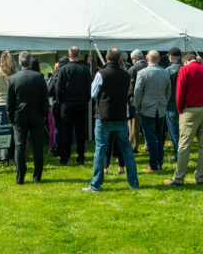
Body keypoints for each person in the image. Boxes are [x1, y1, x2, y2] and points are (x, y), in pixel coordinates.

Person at [84, 48, 139, 191]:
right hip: (120, 115)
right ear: (120, 58)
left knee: (100, 150)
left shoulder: (101, 73)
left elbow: (93, 93)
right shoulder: (126, 74)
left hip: (104, 116)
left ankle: (96, 184)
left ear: (107, 57)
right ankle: (134, 183)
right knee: (127, 150)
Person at [165, 51, 203, 186]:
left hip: (189, 110)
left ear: (185, 60)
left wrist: (180, 109)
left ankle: (179, 178)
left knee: (184, 145)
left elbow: (180, 93)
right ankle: (200, 176)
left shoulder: (185, 70)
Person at [7, 51, 50, 184]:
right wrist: (44, 115)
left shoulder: (13, 78)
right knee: (37, 146)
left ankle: (20, 177)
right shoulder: (39, 77)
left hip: (19, 116)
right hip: (36, 115)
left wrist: (11, 117)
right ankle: (37, 176)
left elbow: (9, 102)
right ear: (31, 62)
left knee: (19, 147)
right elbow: (45, 99)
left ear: (20, 63)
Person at [134, 50, 171, 172]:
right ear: (159, 59)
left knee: (150, 138)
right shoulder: (165, 72)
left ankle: (153, 165)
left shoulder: (142, 73)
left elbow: (137, 92)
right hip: (160, 108)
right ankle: (159, 164)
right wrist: (164, 102)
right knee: (159, 138)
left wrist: (137, 106)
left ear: (147, 59)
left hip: (147, 108)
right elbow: (168, 91)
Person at [54, 46, 92, 166]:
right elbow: (88, 89)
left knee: (66, 132)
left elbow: (58, 89)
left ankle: (64, 158)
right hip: (81, 104)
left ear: (69, 55)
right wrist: (85, 100)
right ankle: (81, 157)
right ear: (79, 55)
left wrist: (62, 101)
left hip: (67, 105)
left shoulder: (63, 70)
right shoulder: (85, 70)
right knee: (81, 133)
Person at [165, 48, 184, 163]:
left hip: (172, 105)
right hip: (186, 105)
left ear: (171, 57)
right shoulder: (186, 69)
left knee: (174, 132)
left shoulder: (168, 70)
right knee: (184, 133)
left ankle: (179, 157)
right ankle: (183, 156)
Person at [127, 49, 146, 153]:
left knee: (133, 125)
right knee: (148, 125)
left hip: (134, 100)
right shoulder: (148, 66)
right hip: (148, 99)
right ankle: (148, 145)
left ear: (134, 58)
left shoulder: (133, 69)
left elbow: (129, 87)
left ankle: (133, 146)